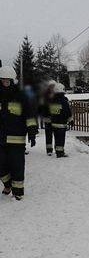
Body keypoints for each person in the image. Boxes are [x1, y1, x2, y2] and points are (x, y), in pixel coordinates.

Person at [0, 66, 38, 200]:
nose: (5, 82)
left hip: (17, 138)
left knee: (17, 166)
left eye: (7, 80)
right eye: (2, 80)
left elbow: (30, 114)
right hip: (1, 138)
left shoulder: (21, 96)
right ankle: (8, 184)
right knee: (1, 165)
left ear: (12, 80)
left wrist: (32, 132)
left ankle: (18, 192)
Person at [47, 81, 73, 157]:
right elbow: (67, 112)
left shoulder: (52, 100)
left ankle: (57, 150)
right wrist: (70, 120)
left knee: (56, 138)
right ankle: (60, 153)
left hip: (54, 124)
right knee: (61, 139)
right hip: (61, 124)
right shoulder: (63, 101)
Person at [40, 80, 55, 155]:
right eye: (51, 86)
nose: (52, 88)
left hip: (56, 118)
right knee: (48, 135)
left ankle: (58, 148)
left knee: (57, 134)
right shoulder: (45, 95)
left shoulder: (57, 94)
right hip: (48, 117)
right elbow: (42, 107)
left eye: (53, 86)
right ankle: (49, 150)